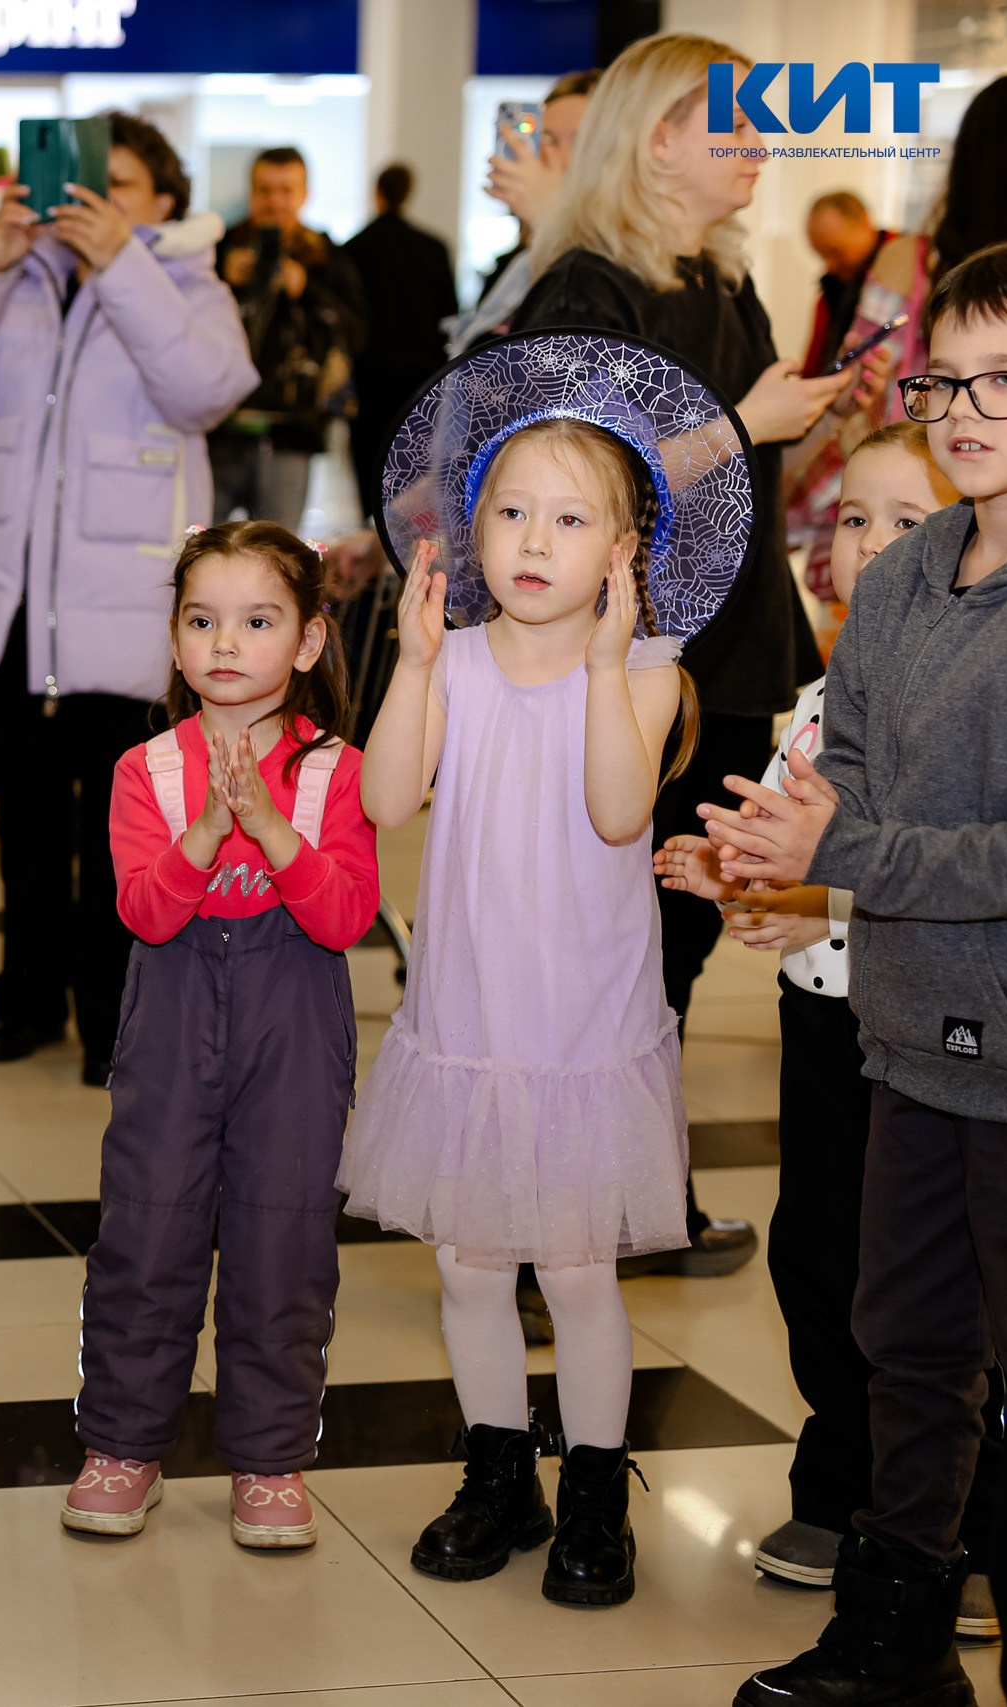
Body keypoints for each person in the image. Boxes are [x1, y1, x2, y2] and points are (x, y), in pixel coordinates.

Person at [344, 382, 718, 1607]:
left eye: (568, 522)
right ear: (470, 535)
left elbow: (617, 809)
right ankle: (497, 1470)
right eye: (511, 514)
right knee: (464, 1263)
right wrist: (406, 665)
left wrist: (608, 667)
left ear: (623, 554)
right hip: (465, 1016)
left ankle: (597, 1490)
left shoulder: (648, 674)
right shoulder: (449, 657)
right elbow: (388, 800)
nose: (533, 543)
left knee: (571, 1268)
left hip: (577, 1025)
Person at [715, 242, 1007, 1707]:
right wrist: (775, 842)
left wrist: (852, 851)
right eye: (944, 377)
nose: (964, 409)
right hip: (904, 1032)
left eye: (1003, 380)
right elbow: (841, 774)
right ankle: (893, 1632)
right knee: (908, 1339)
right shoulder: (902, 575)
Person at [509, 31, 854, 1278]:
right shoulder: (587, 289)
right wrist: (743, 424)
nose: (761, 147)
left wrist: (794, 426)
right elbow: (568, 484)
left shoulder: (717, 278)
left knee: (678, 930)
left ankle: (629, 1191)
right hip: (629, 662)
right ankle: (573, 1211)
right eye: (736, 127)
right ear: (660, 141)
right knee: (614, 938)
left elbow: (734, 465)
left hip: (736, 652)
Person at [658, 421, 1000, 1646]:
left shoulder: (962, 682)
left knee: (941, 1285)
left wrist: (811, 883)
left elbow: (907, 853)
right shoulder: (816, 694)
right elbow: (801, 846)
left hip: (926, 1013)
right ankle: (848, 1485)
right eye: (852, 518)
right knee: (824, 1258)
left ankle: (961, 1529)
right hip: (824, 1007)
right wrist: (742, 877)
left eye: (904, 521)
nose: (869, 544)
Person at [0, 111, 254, 1084]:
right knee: (21, 816)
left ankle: (112, 1014)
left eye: (122, 189)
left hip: (128, 605)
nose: (91, 207)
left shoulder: (187, 284)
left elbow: (206, 389)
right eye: (82, 187)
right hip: (15, 601)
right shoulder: (16, 278)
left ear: (166, 204)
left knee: (120, 825)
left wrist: (120, 267)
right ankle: (25, 999)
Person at [62, 522, 378, 1549]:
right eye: (202, 621)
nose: (226, 643)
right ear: (174, 638)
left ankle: (272, 1457)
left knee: (282, 1234)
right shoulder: (144, 768)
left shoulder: (338, 772)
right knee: (144, 1227)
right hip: (172, 1010)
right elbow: (146, 914)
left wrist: (274, 831)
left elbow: (341, 921)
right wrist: (207, 825)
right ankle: (121, 1443)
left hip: (293, 1010)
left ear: (307, 641)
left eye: (256, 621)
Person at [785, 77, 1007, 603]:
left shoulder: (909, 262)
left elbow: (861, 390)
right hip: (911, 526)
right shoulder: (906, 262)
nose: (964, 406)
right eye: (943, 377)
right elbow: (860, 382)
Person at [210, 147, 365, 532]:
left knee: (275, 554)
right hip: (219, 428)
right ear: (250, 192)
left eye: (285, 190)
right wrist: (218, 279)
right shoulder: (220, 249)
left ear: (304, 194)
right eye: (264, 190)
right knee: (201, 546)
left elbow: (357, 333)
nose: (275, 201)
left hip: (292, 432)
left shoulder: (325, 257)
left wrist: (306, 288)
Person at [450, 70, 598, 359]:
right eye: (548, 139)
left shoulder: (613, 266)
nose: (554, 156)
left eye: (581, 142)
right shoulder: (519, 263)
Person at [342, 163, 459, 516]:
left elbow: (349, 319)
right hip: (422, 379)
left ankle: (372, 529)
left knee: (370, 464)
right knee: (413, 467)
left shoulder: (355, 248)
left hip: (370, 377)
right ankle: (404, 544)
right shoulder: (433, 248)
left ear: (377, 193)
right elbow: (449, 315)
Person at [802, 192, 894, 379]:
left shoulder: (908, 265)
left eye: (835, 252)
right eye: (821, 255)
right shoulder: (833, 288)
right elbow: (814, 365)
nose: (830, 265)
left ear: (865, 224)